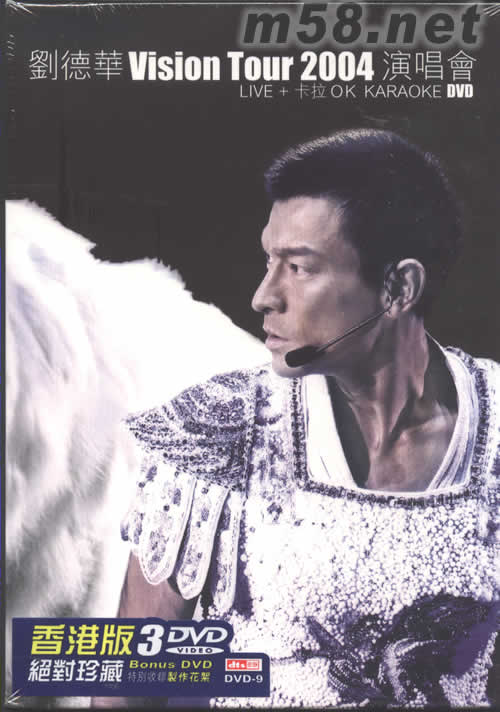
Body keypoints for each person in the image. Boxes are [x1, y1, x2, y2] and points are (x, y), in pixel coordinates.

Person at [109, 129, 500, 707]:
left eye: (298, 267)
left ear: (399, 287)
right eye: (270, 260)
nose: (263, 296)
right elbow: (124, 685)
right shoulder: (219, 432)